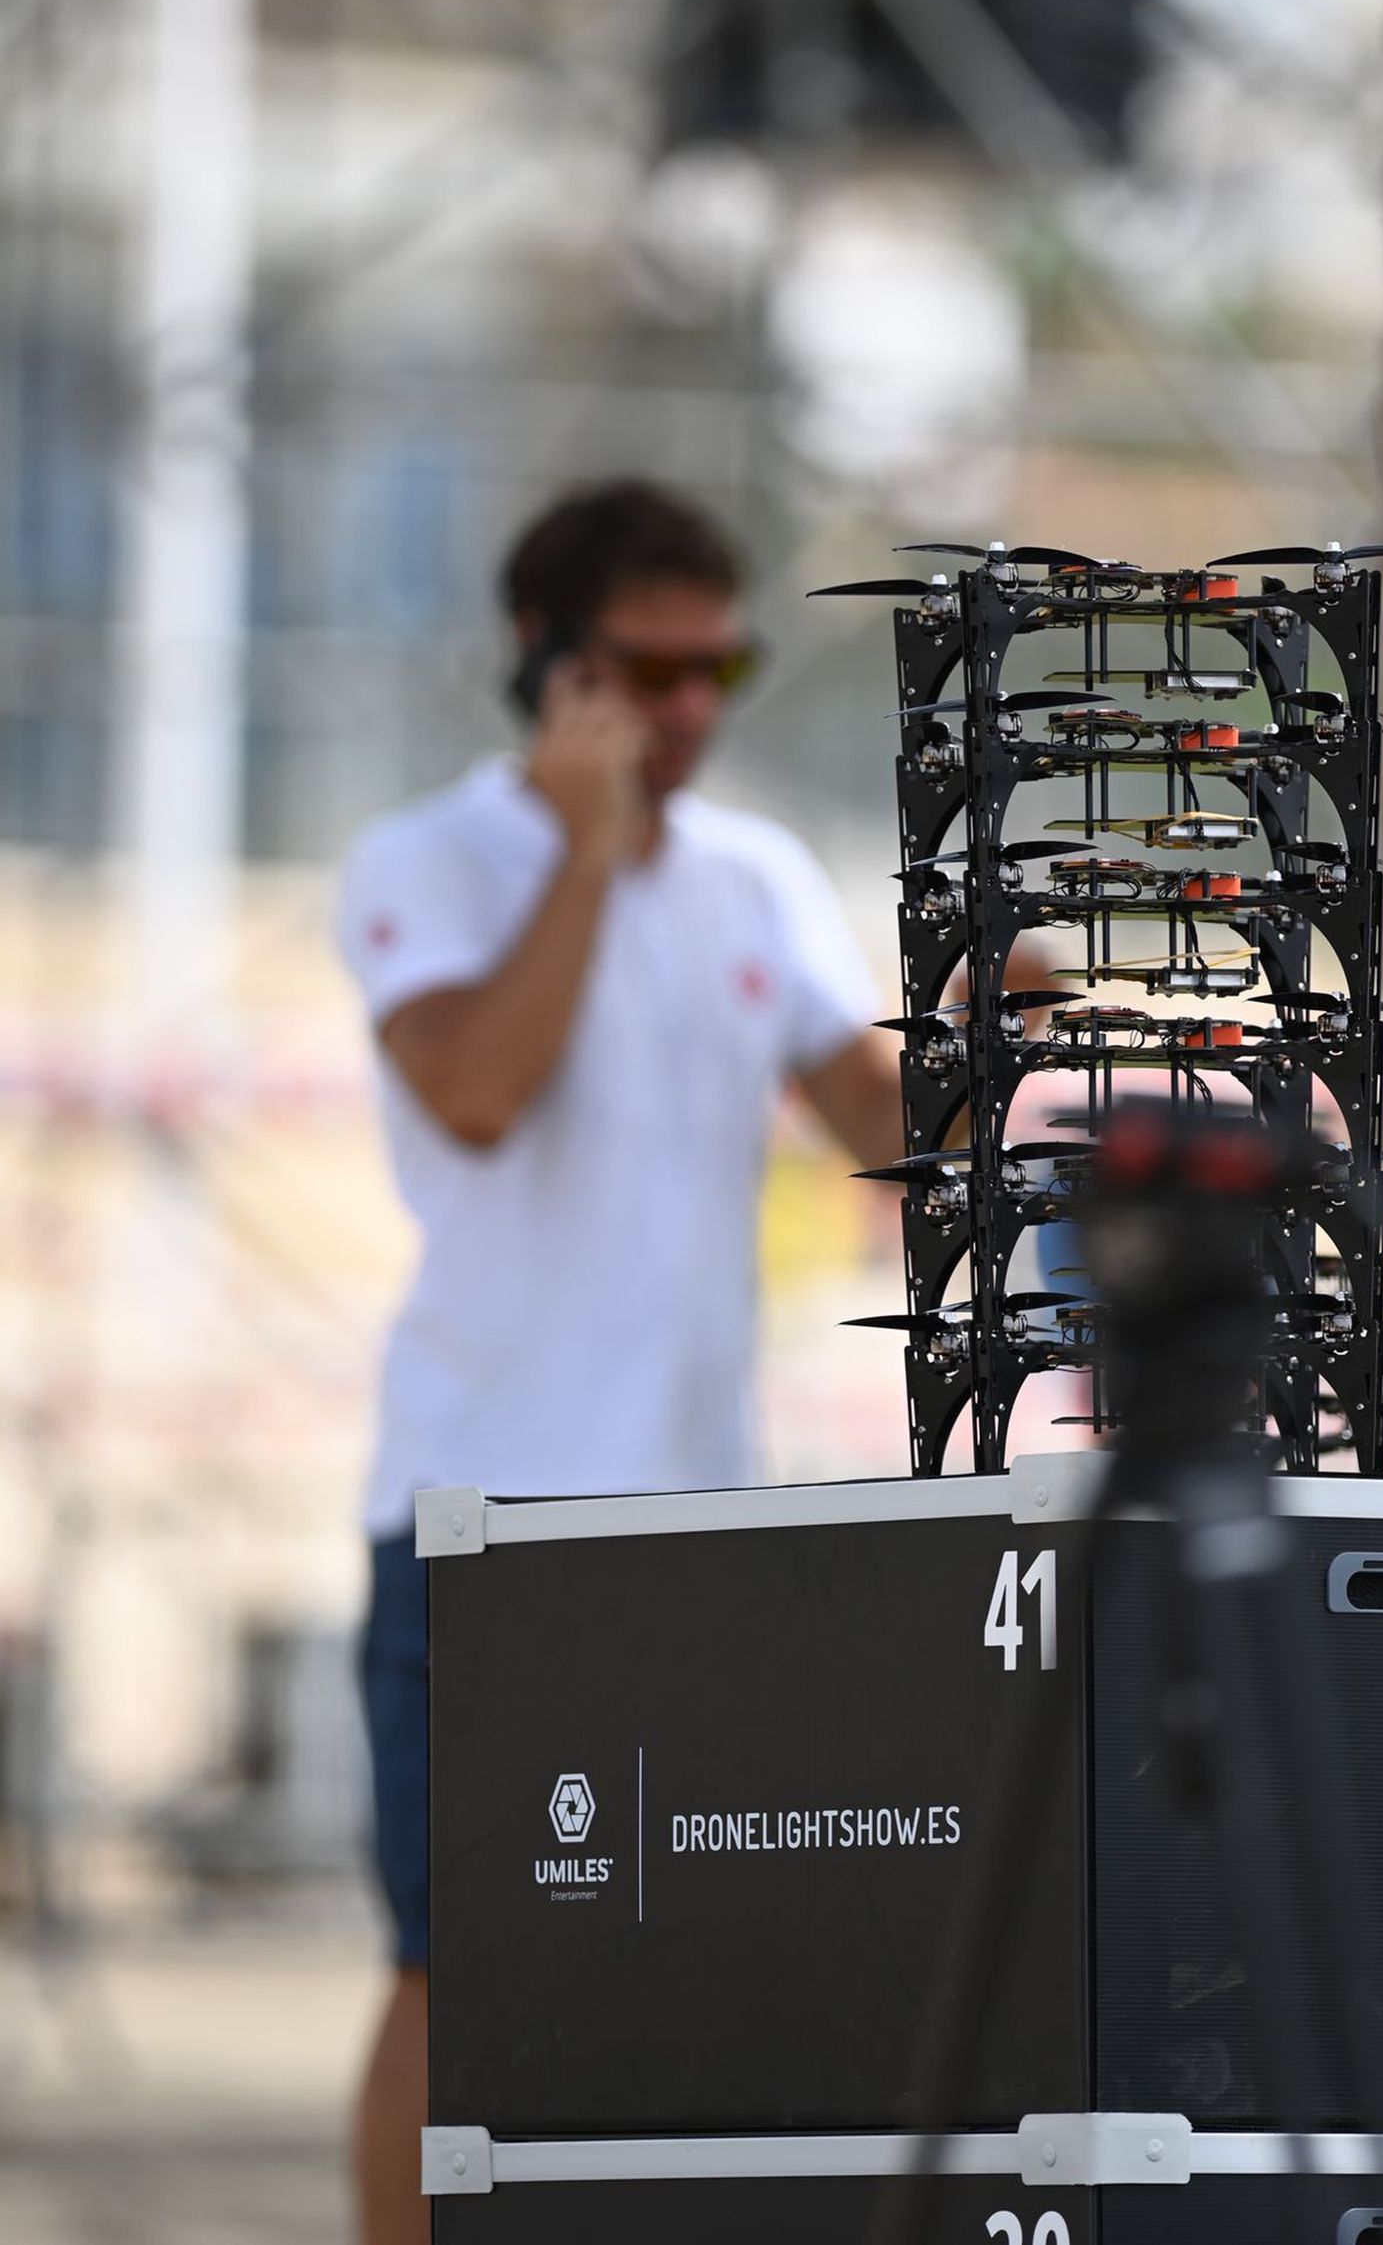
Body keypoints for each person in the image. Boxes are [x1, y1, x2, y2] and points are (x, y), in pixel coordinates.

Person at [335, 478, 904, 2243]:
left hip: (700, 1523)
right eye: (642, 670)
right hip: (477, 1519)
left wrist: (984, 1023)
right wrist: (585, 851)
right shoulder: (426, 860)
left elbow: (881, 1132)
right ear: (543, 662)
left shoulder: (757, 875)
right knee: (454, 1964)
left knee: (691, 1958)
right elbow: (480, 1090)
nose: (684, 709)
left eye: (711, 666)